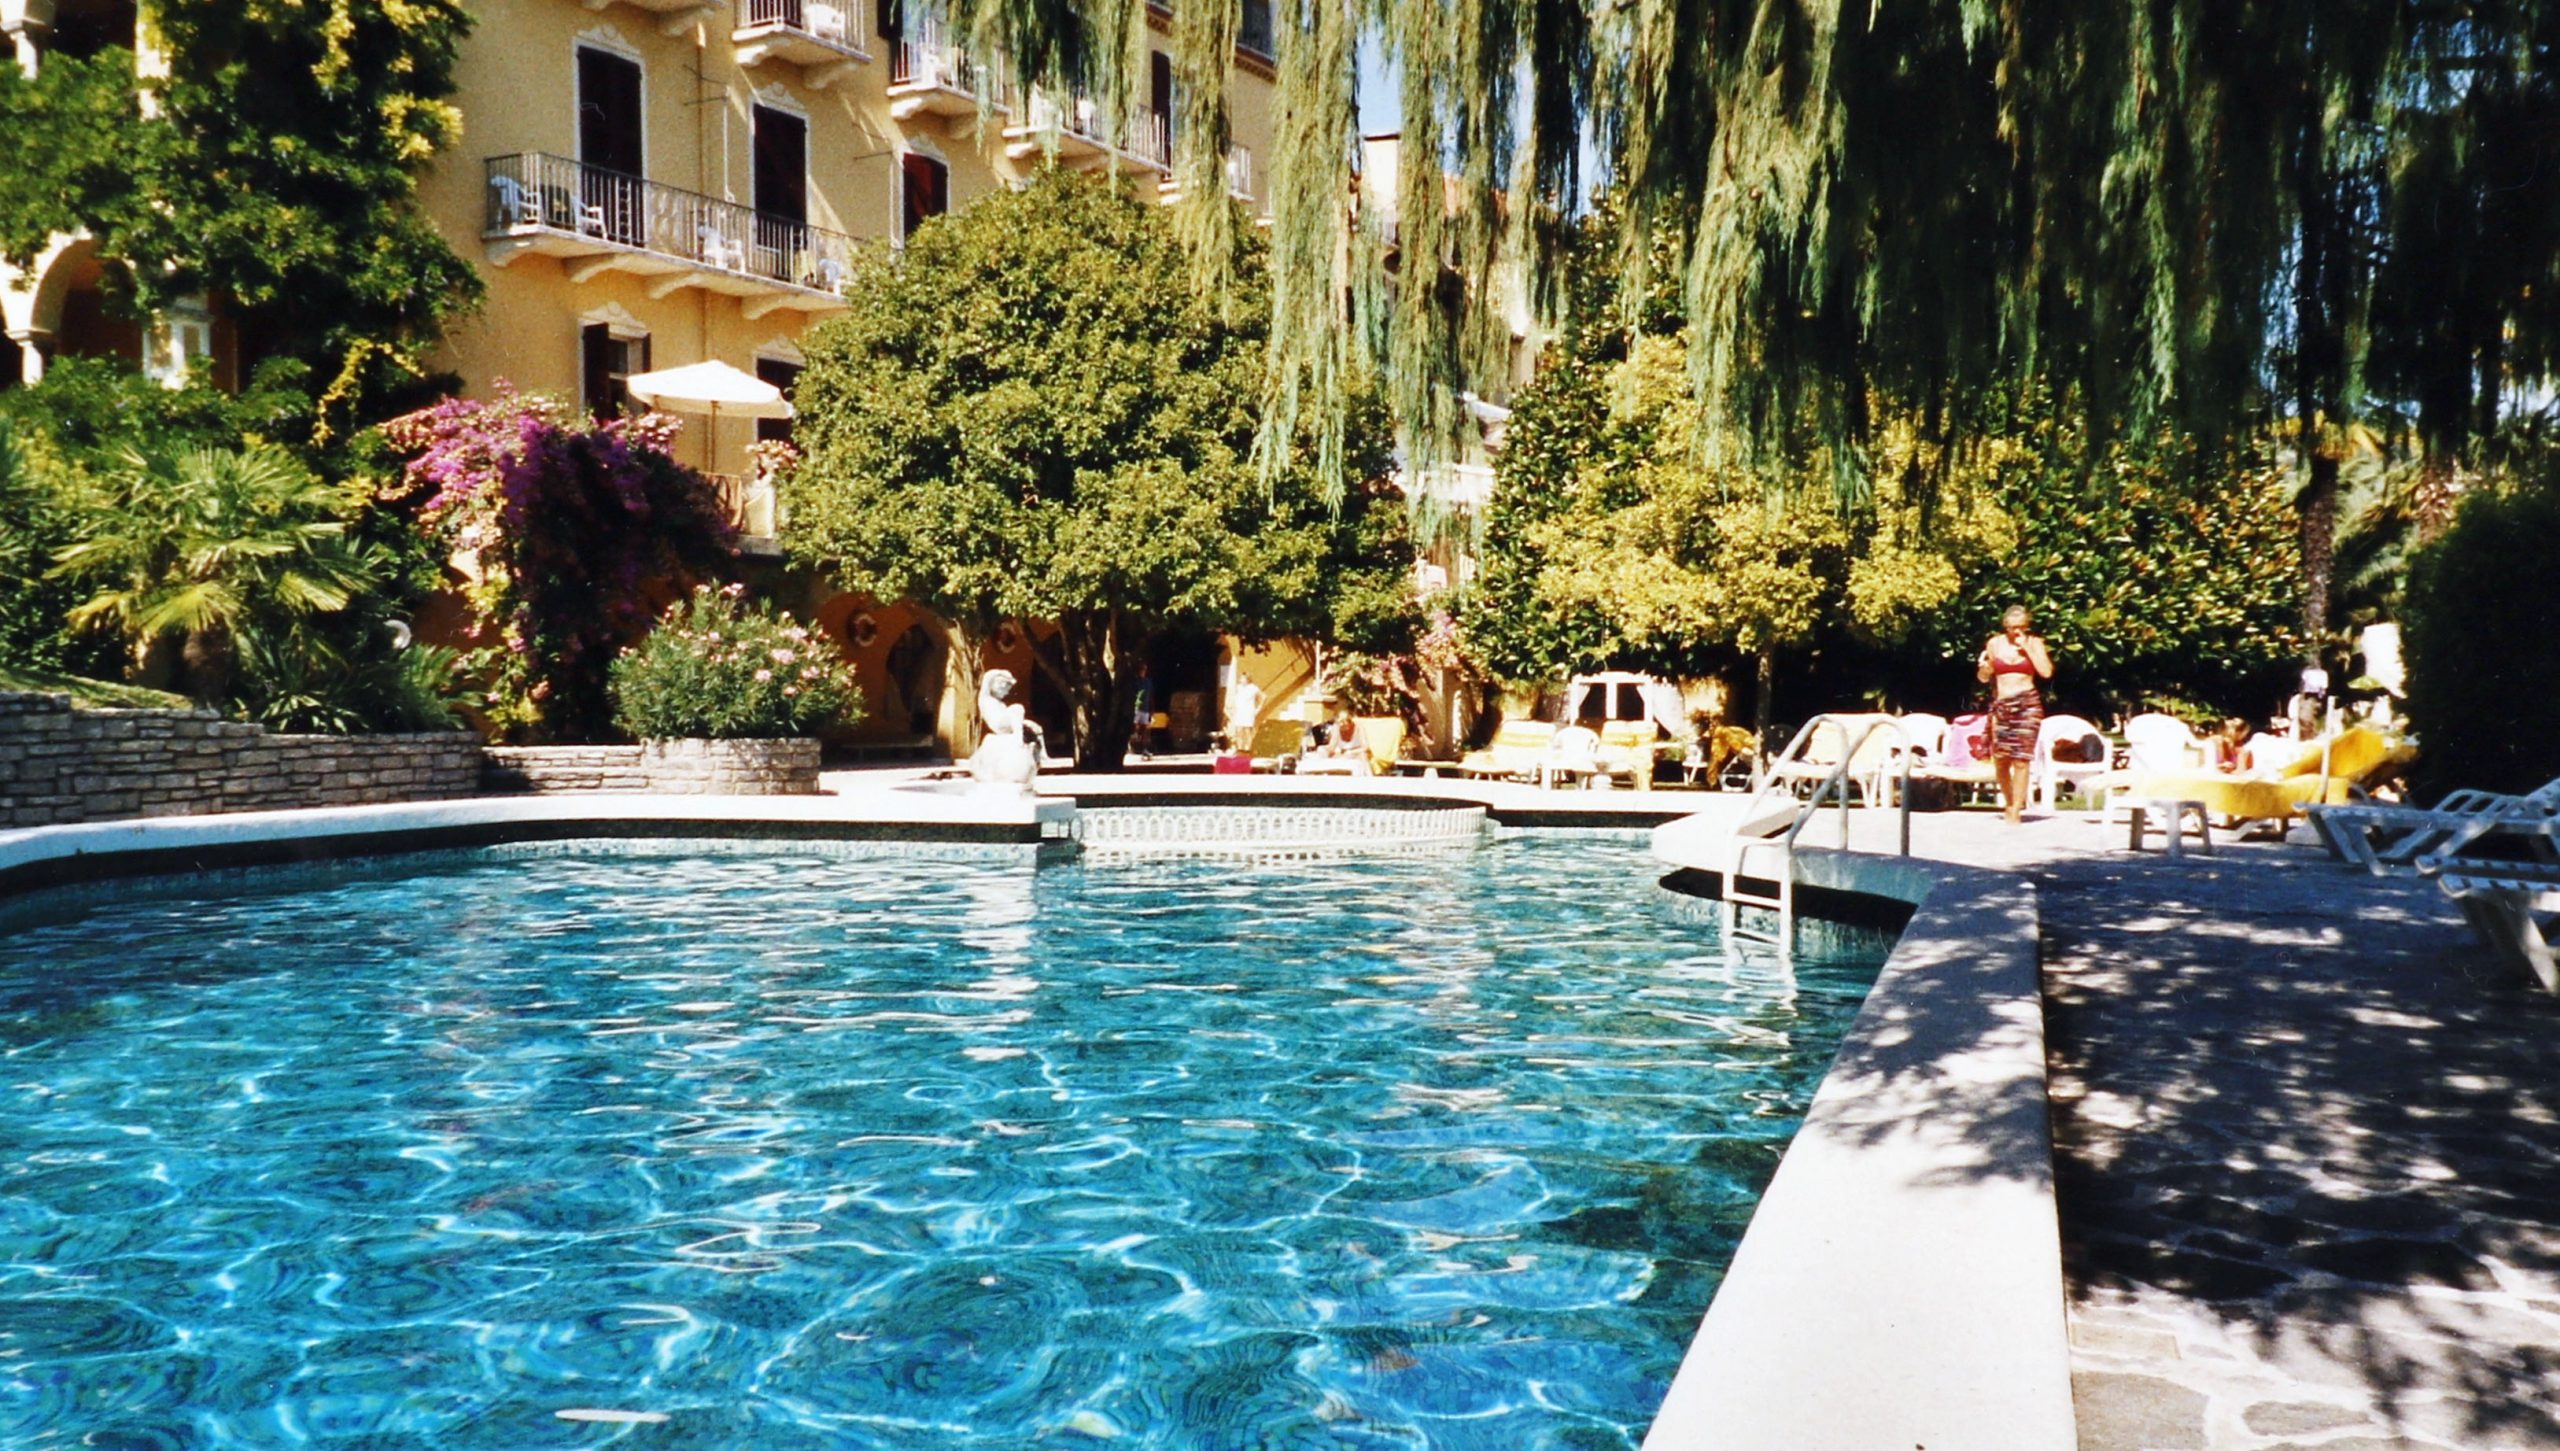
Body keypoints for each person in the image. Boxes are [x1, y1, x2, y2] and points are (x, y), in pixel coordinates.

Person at [1975, 605, 2054, 824]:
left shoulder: (2034, 643)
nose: (2016, 631)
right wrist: (1985, 669)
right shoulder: (1995, 643)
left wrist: (2026, 649)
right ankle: (2009, 802)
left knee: (2021, 759)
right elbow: (1984, 677)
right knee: (2001, 758)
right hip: (2002, 704)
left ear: (2027, 626)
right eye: (2012, 627)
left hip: (2027, 704)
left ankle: (2016, 808)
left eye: (2021, 627)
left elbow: (2046, 672)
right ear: (2005, 626)